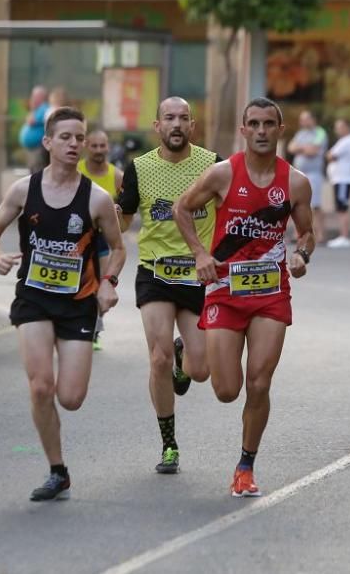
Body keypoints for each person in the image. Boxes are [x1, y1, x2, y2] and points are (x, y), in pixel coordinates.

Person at [0, 106, 125, 502]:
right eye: (66, 137)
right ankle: (57, 470)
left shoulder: (96, 199)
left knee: (71, 398)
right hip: (33, 298)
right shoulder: (23, 191)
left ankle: (58, 463)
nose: (75, 144)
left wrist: (109, 283)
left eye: (79, 137)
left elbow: (117, 248)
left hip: (78, 304)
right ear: (47, 142)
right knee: (42, 387)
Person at [173, 96, 314, 498]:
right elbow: (182, 208)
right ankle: (185, 353)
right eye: (254, 124)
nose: (262, 131)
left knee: (259, 382)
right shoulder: (221, 174)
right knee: (226, 390)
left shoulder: (296, 182)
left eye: (269, 124)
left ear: (280, 130)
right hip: (224, 290)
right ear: (243, 130)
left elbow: (307, 233)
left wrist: (301, 255)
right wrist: (200, 253)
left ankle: (245, 466)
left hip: (271, 293)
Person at [117, 96, 217, 475]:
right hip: (155, 272)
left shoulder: (212, 164)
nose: (176, 124)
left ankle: (183, 356)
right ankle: (169, 444)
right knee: (156, 359)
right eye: (169, 118)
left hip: (198, 275)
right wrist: (108, 218)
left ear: (193, 125)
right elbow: (124, 221)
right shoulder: (140, 168)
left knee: (202, 369)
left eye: (183, 118)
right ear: (156, 126)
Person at [78, 128, 124, 351]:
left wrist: (118, 216)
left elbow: (127, 211)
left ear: (108, 147)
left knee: (101, 282)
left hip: (102, 241)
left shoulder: (116, 176)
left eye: (102, 146)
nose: (98, 150)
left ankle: (95, 328)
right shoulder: (76, 170)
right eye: (94, 146)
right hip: (76, 240)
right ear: (87, 146)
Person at [286, 109, 327, 240]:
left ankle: (319, 234)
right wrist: (304, 147)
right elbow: (291, 147)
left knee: (315, 205)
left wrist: (300, 148)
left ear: (312, 119)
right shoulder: (301, 133)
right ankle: (297, 233)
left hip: (313, 174)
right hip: (299, 174)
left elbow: (313, 151)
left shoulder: (320, 133)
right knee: (295, 204)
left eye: (304, 119)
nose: (301, 122)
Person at [325, 117, 350, 249]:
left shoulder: (348, 141)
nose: (337, 129)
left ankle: (344, 236)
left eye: (339, 126)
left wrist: (330, 156)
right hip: (339, 179)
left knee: (343, 208)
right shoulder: (345, 141)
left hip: (343, 179)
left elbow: (330, 155)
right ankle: (343, 235)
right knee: (341, 208)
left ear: (347, 127)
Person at [19, 85, 50, 173]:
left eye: (34, 96)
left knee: (38, 171)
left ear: (41, 97)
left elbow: (31, 121)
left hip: (38, 147)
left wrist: (32, 109)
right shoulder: (38, 109)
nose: (32, 98)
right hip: (33, 149)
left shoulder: (44, 108)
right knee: (33, 171)